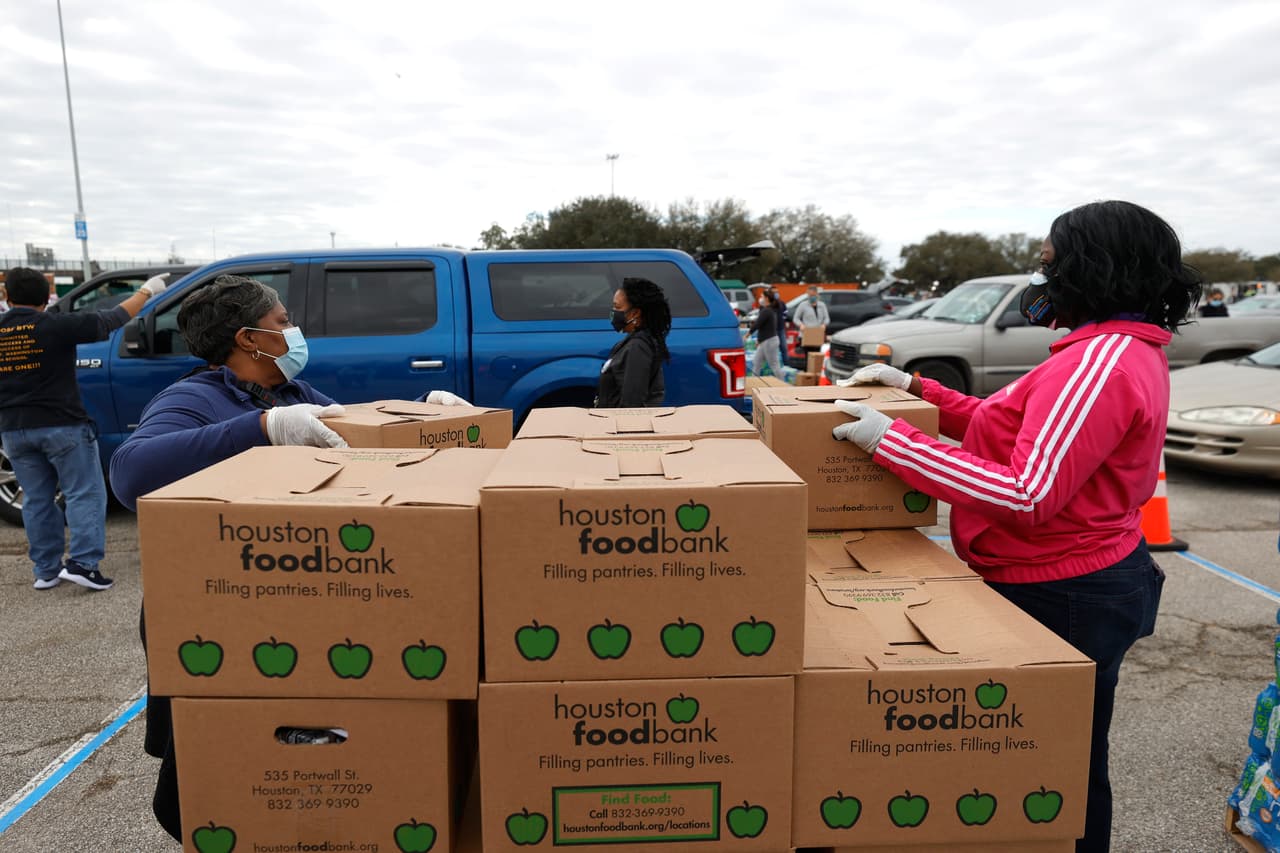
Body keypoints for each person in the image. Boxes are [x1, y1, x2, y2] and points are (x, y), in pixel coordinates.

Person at [832, 200, 1198, 853]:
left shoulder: (1100, 364)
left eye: (1050, 263)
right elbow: (1012, 427)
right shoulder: (1109, 349)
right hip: (1073, 575)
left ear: (1094, 266)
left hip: (1062, 592)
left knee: (1058, 768)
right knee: (1057, 758)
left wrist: (894, 443)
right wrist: (919, 393)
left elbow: (1025, 492)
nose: (1040, 278)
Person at [108, 273, 469, 841]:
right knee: (213, 776)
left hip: (296, 601)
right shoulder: (195, 398)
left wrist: (424, 414)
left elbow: (353, 430)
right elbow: (130, 474)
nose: (295, 332)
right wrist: (261, 428)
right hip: (217, 615)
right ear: (249, 339)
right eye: (283, 322)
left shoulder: (294, 395)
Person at [0, 266, 170, 591]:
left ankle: (46, 571)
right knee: (83, 492)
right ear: (45, 299)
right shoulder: (54, 325)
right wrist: (147, 291)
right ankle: (84, 565)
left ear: (7, 297)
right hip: (61, 425)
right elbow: (112, 319)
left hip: (13, 431)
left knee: (36, 499)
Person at [595, 276, 670, 407]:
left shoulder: (638, 347)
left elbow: (633, 403)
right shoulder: (631, 342)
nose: (613, 312)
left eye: (617, 307)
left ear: (635, 313)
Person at [748, 287, 784, 377]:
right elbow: (765, 327)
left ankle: (782, 383)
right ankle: (754, 381)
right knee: (757, 362)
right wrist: (759, 340)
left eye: (762, 297)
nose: (760, 299)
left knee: (774, 365)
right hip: (765, 341)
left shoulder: (767, 311)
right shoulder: (769, 310)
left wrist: (747, 334)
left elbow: (757, 324)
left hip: (769, 341)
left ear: (766, 298)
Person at [793, 285, 830, 357]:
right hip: (806, 334)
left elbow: (827, 318)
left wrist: (824, 324)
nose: (811, 297)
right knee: (808, 357)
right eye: (809, 295)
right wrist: (801, 325)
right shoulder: (803, 305)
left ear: (817, 294)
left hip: (818, 334)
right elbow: (796, 318)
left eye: (813, 295)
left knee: (817, 356)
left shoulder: (822, 305)